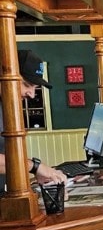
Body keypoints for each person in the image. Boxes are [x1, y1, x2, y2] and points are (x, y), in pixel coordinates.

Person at [0, 50, 68, 193]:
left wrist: (36, 171)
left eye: (35, 87)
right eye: (27, 84)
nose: (31, 94)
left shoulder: (6, 106)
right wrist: (35, 167)